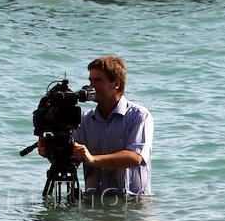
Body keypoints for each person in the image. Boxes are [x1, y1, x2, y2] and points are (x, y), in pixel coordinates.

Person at [39, 55, 153, 198]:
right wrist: (51, 151)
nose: (91, 86)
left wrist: (92, 159)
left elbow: (135, 157)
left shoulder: (139, 116)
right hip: (94, 201)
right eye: (90, 80)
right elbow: (71, 160)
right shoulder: (85, 119)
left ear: (116, 84)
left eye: (97, 80)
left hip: (131, 202)